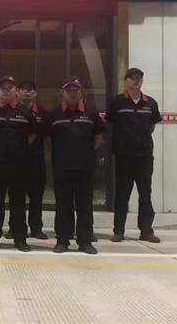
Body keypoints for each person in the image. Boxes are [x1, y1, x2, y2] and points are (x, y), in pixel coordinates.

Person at [46, 77, 106, 255]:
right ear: (62, 93)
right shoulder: (55, 113)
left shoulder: (91, 113)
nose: (72, 94)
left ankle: (85, 241)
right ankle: (62, 241)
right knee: (62, 205)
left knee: (85, 205)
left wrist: (87, 152)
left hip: (85, 168)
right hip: (62, 168)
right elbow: (48, 139)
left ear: (81, 93)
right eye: (69, 90)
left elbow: (99, 136)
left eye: (75, 90)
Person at [106, 67, 163, 243]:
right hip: (124, 156)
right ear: (126, 81)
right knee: (122, 194)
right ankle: (118, 231)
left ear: (142, 81)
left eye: (139, 78)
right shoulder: (117, 103)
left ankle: (146, 231)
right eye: (132, 78)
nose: (135, 81)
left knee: (145, 194)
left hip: (144, 156)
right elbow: (110, 125)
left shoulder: (151, 103)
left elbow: (152, 126)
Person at [0, 75, 36, 252]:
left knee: (18, 203)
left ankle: (20, 239)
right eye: (3, 88)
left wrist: (19, 149)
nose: (6, 90)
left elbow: (32, 135)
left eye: (10, 87)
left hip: (18, 166)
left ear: (15, 91)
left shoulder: (25, 112)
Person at [15, 80, 49, 240]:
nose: (27, 92)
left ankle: (36, 228)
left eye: (30, 90)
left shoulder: (43, 113)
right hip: (16, 161)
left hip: (36, 161)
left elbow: (47, 136)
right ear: (18, 92)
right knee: (17, 197)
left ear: (35, 93)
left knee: (36, 197)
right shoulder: (12, 110)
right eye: (23, 89)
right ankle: (16, 228)